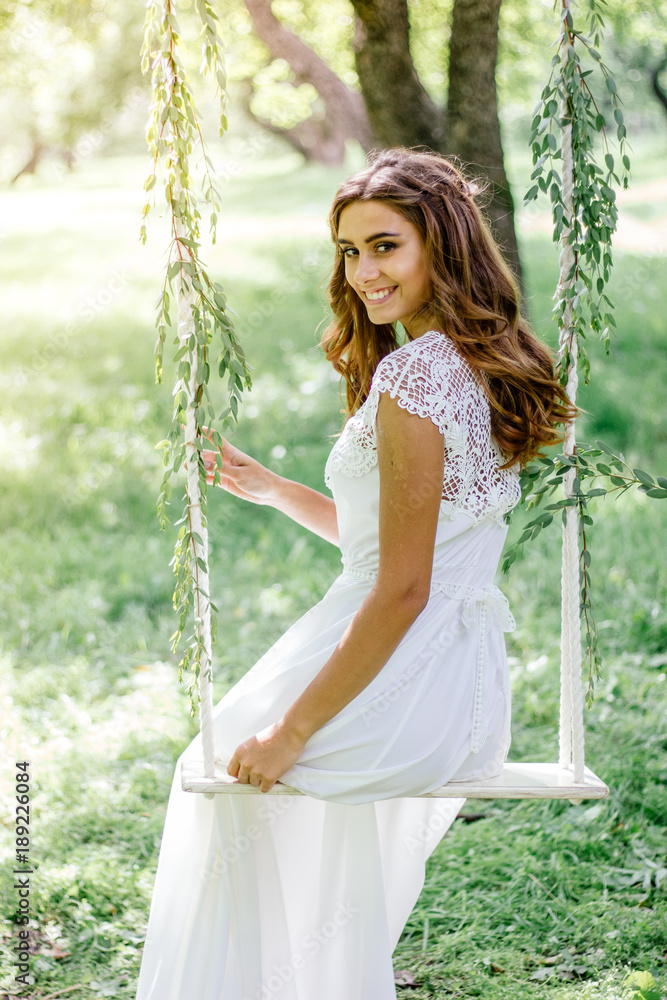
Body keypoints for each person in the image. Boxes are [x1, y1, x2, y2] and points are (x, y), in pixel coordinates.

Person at [135, 148, 575, 1000]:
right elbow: (406, 547)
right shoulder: (476, 358)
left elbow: (402, 586)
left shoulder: (415, 374)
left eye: (385, 246)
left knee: (219, 778)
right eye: (349, 251)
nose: (364, 272)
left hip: (406, 659)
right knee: (245, 792)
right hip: (458, 674)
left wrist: (294, 730)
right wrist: (276, 491)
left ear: (440, 245)